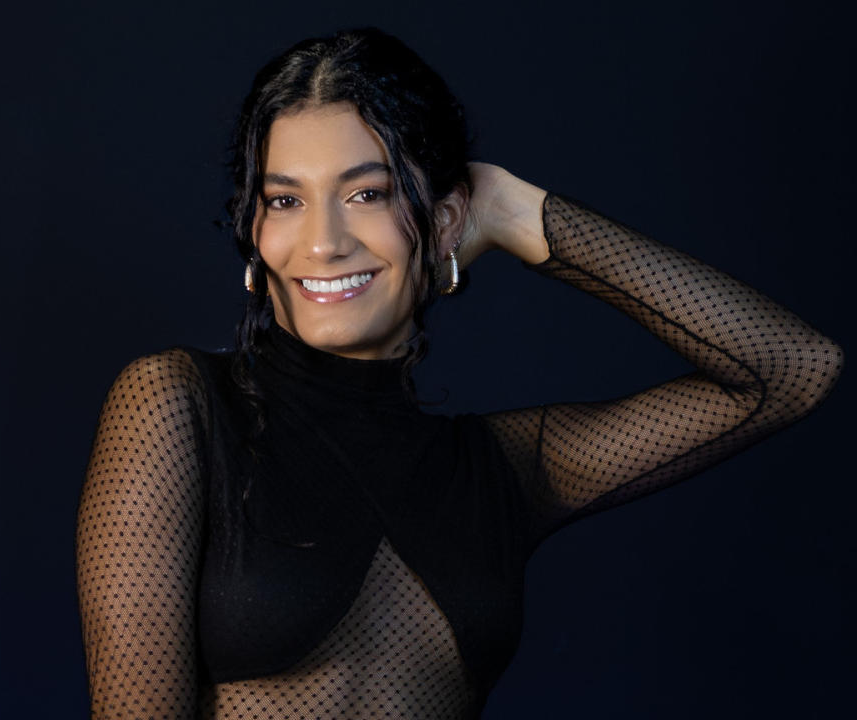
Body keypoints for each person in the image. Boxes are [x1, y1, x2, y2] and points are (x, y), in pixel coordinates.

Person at [74, 27, 844, 720]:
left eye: (366, 194)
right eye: (285, 200)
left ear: (444, 220)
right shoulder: (175, 404)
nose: (323, 242)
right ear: (253, 230)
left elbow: (791, 370)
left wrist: (510, 208)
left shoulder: (507, 468)